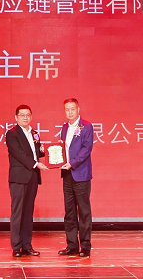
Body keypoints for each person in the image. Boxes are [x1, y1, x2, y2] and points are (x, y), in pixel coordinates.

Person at [6, 104, 48, 257]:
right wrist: (36, 164)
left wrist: (47, 150)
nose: (25, 117)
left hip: (32, 177)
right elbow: (19, 154)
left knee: (28, 212)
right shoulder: (12, 134)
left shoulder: (34, 133)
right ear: (16, 117)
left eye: (28, 115)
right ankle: (16, 246)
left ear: (31, 117)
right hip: (19, 177)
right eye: (22, 115)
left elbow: (36, 153)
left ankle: (27, 245)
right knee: (18, 212)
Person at [57, 98, 93, 258]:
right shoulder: (64, 127)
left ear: (78, 109)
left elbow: (86, 149)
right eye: (67, 109)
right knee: (69, 211)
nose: (70, 112)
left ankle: (85, 246)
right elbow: (64, 148)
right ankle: (72, 245)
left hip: (81, 174)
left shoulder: (86, 126)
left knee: (84, 211)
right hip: (67, 174)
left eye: (72, 109)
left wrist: (72, 163)